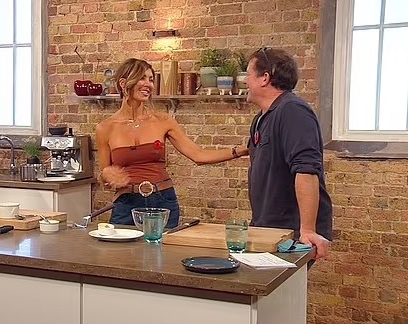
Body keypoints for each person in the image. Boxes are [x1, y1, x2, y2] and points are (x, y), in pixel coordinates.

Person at [96, 58, 248, 229]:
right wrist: (108, 176)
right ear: (123, 83)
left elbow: (199, 155)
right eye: (142, 78)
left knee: (162, 253)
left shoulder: (163, 121)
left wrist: (240, 151)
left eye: (151, 79)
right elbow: (105, 175)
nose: (149, 85)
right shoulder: (105, 128)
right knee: (120, 255)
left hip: (163, 200)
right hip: (126, 203)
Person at [244, 47, 332, 260]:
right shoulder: (261, 118)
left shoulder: (292, 111)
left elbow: (307, 170)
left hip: (291, 232)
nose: (244, 81)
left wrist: (308, 230)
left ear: (265, 77)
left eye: (248, 74)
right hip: (268, 227)